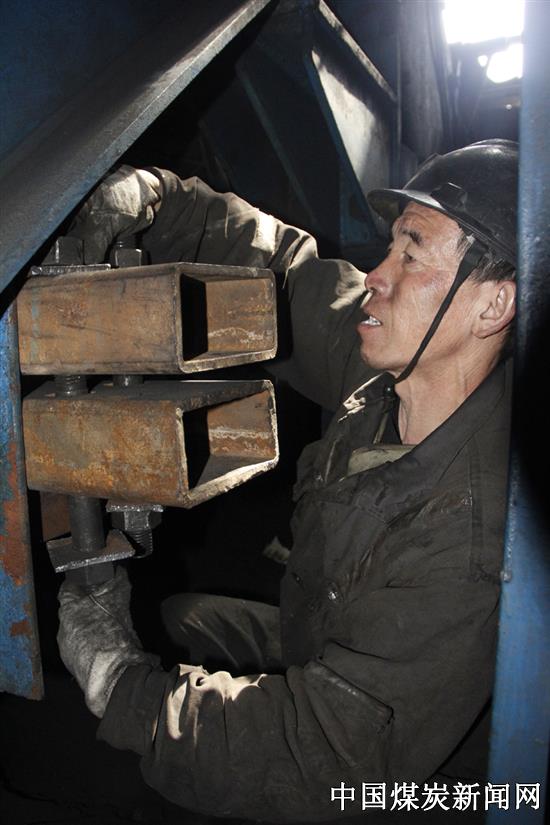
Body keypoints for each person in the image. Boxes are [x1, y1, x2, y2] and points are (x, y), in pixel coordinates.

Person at [57, 139, 518, 822]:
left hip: (400, 783)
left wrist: (119, 686)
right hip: (326, 631)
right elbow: (286, 271)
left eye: (412, 255)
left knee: (156, 739)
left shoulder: (474, 535)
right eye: (390, 248)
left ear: (493, 306)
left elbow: (325, 752)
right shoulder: (392, 377)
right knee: (182, 620)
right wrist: (158, 199)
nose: (376, 274)